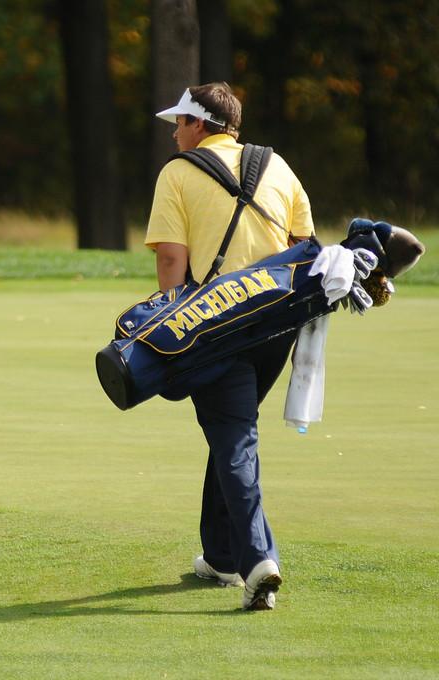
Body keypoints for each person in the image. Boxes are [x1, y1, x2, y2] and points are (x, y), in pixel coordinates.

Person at [144, 83, 315, 610]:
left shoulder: (177, 172)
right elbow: (302, 248)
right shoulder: (277, 165)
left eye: (180, 123)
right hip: (276, 326)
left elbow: (171, 260)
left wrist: (169, 327)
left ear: (199, 124)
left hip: (214, 327)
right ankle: (220, 556)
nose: (175, 133)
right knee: (228, 430)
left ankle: (258, 561)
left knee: (233, 436)